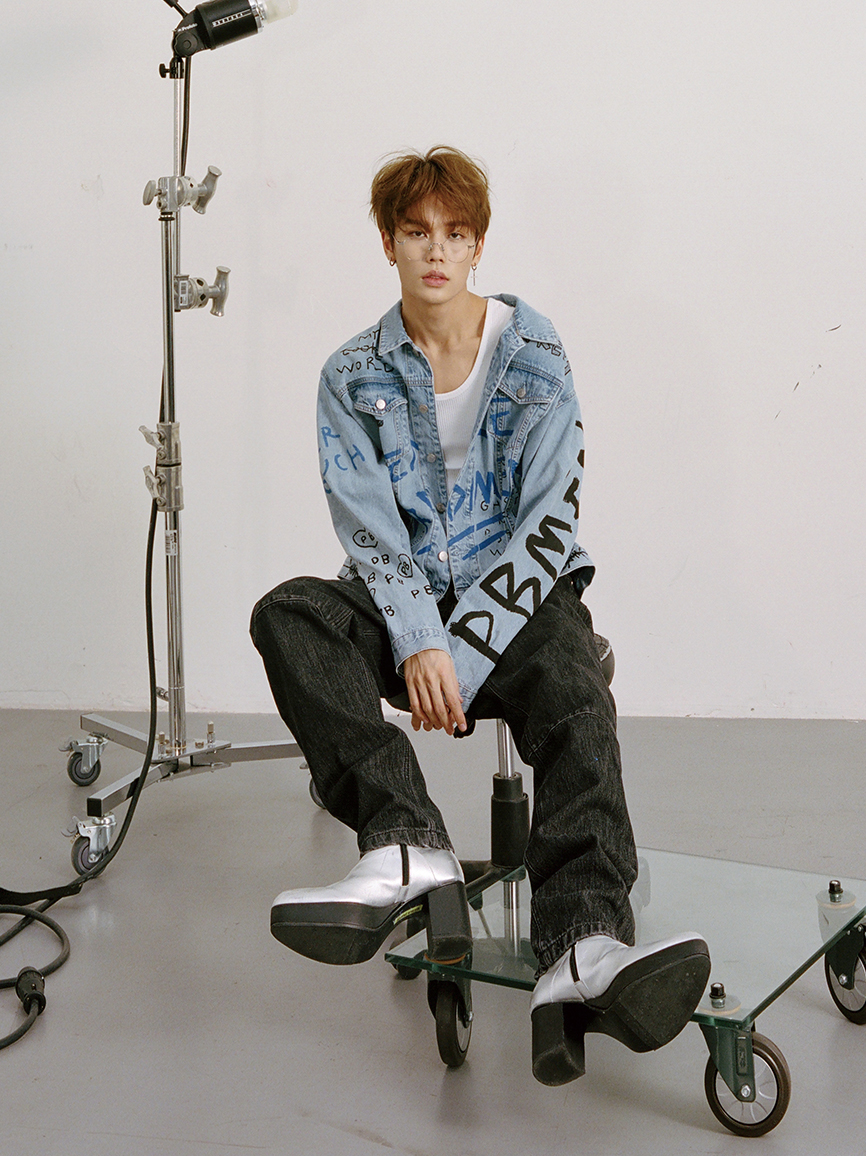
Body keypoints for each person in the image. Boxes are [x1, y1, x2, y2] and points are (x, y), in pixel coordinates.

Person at [250, 146, 710, 1085]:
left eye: (454, 234)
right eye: (416, 232)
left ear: (478, 245)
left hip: (521, 595)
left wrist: (458, 652)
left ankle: (583, 943)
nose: (436, 251)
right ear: (388, 243)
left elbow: (550, 521)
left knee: (573, 683)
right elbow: (368, 529)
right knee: (289, 613)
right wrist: (419, 635)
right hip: (404, 598)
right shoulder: (351, 373)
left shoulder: (533, 352)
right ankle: (406, 843)